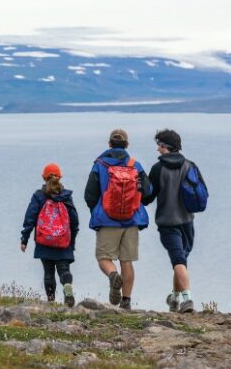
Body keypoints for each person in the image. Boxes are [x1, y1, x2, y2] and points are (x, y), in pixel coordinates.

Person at [84, 129, 151, 310]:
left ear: (109, 144)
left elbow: (89, 195)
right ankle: (126, 301)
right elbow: (148, 192)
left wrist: (97, 212)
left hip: (107, 220)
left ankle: (113, 275)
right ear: (127, 145)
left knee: (104, 257)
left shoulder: (99, 164)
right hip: (131, 220)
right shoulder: (135, 165)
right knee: (126, 260)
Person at [142, 129, 206, 313]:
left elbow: (147, 199)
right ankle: (174, 299)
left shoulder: (157, 169)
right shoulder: (190, 166)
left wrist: (141, 185)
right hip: (188, 222)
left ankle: (187, 300)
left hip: (167, 223)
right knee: (180, 261)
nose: (157, 150)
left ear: (166, 147)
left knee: (178, 261)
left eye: (159, 146)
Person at [21, 163, 79, 307]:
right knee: (64, 269)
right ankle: (67, 286)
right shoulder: (66, 196)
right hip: (63, 241)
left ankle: (51, 300)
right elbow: (74, 220)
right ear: (60, 177)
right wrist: (72, 240)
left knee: (48, 271)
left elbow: (30, 217)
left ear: (43, 177)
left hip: (44, 241)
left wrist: (24, 239)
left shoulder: (39, 196)